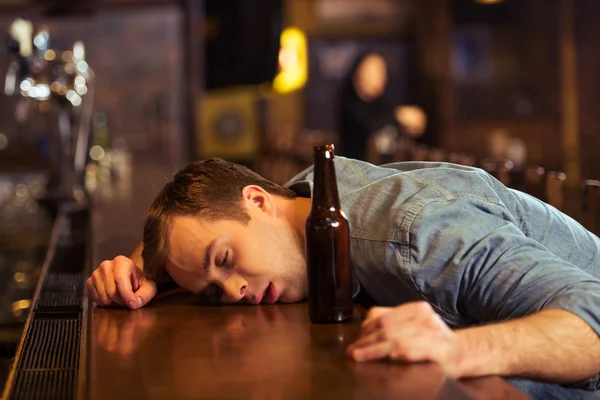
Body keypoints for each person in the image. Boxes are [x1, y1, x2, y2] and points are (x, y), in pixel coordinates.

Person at [87, 157, 600, 399]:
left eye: (225, 260)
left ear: (258, 202)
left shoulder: (419, 235)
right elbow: (196, 227)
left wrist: (453, 351)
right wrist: (144, 267)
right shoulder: (302, 202)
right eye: (214, 292)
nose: (236, 291)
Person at [337, 52, 427, 163]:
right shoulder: (350, 103)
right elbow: (369, 125)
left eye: (382, 71)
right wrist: (400, 115)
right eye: (373, 71)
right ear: (357, 73)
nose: (380, 76)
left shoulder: (383, 103)